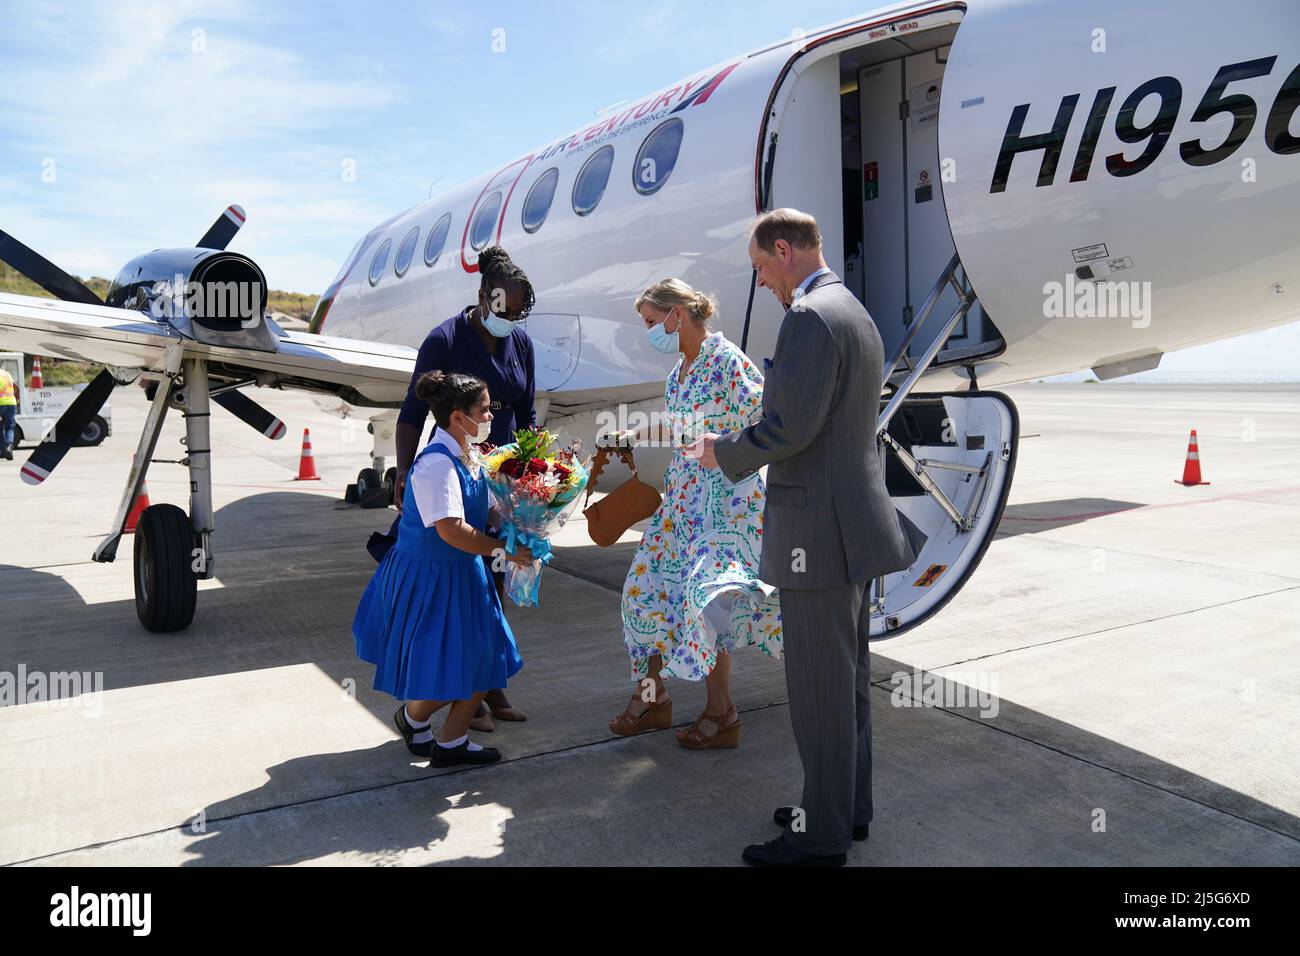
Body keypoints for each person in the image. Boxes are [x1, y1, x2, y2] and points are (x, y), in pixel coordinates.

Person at [686, 208, 914, 867]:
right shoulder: (852, 311)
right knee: (844, 684)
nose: (761, 282)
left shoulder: (811, 318)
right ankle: (845, 808)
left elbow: (790, 429)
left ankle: (821, 837)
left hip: (818, 529)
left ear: (784, 251)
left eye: (761, 267)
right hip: (852, 523)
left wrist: (721, 453)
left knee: (820, 689)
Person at [607, 279, 782, 749]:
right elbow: (684, 424)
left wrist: (723, 449)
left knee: (705, 608)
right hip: (681, 505)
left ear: (676, 315)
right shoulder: (679, 372)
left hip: (725, 507)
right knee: (642, 597)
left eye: (650, 322)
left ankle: (721, 715)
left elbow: (769, 421)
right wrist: (633, 433)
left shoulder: (727, 361)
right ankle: (653, 697)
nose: (649, 332)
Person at [353, 370, 532, 767]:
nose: (490, 417)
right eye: (484, 411)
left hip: (461, 570)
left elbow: (481, 510)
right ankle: (433, 731)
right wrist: (505, 549)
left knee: (483, 655)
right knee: (468, 658)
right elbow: (451, 530)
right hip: (432, 576)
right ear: (457, 416)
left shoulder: (467, 455)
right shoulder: (437, 465)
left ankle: (432, 730)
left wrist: (525, 515)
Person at [393, 245, 537, 730]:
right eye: (503, 310)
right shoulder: (444, 339)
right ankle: (466, 698)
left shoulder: (521, 344)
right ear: (482, 296)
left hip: (502, 482)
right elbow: (412, 412)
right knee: (465, 586)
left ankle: (490, 688)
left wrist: (534, 478)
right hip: (459, 478)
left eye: (517, 313)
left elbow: (529, 412)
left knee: (493, 586)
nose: (510, 319)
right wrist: (402, 472)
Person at [0, 363, 18, 460]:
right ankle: (9, 446)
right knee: (9, 427)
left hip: (0, 403)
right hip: (11, 403)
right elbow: (14, 387)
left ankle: (2, 451)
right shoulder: (7, 374)